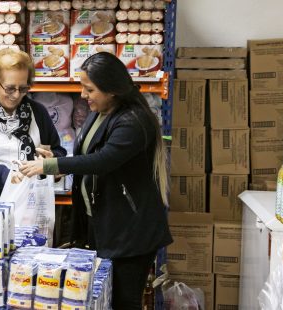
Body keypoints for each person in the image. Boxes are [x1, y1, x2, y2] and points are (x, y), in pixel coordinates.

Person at [19, 52, 173, 309]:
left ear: (112, 89)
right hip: (103, 224)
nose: (82, 94)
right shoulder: (100, 111)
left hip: (130, 230)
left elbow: (103, 161)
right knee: (102, 297)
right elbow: (87, 157)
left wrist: (51, 164)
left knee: (124, 301)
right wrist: (59, 167)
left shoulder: (133, 120)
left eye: (89, 89)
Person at [0, 48, 67, 202]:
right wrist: (9, 176)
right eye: (10, 88)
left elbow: (58, 151)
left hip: (31, 203)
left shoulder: (38, 112)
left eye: (23, 88)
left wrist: (51, 162)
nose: (17, 95)